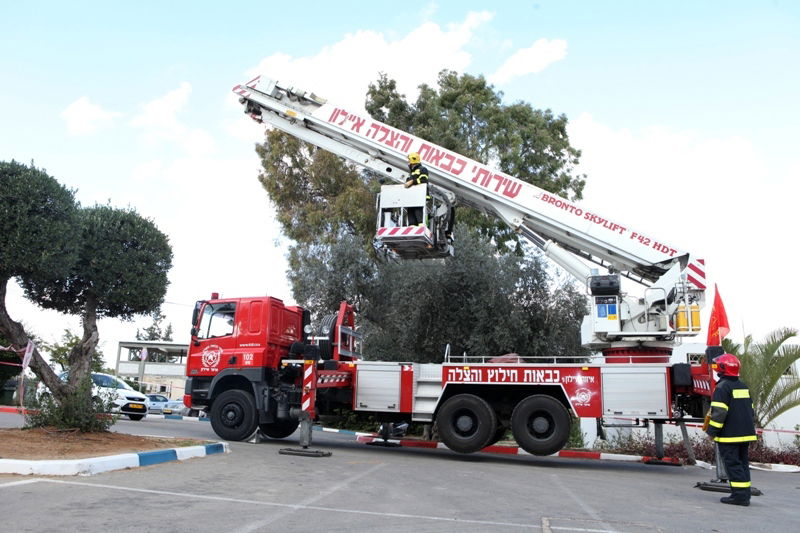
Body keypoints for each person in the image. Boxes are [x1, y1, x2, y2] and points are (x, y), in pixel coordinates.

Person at [705, 353, 757, 506]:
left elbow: (719, 413)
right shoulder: (743, 386)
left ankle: (739, 496)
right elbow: (751, 410)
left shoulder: (722, 388)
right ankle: (744, 494)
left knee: (733, 465)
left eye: (716, 366)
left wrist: (712, 431)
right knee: (742, 464)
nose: (715, 369)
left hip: (730, 436)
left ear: (723, 368)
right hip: (745, 434)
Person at [404, 152, 429, 227]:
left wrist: (412, 182)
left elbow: (424, 180)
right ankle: (412, 226)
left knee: (418, 210)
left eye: (409, 160)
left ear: (413, 160)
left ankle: (421, 225)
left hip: (420, 196)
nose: (408, 162)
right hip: (412, 197)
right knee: (410, 210)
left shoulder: (422, 169)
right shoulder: (412, 173)